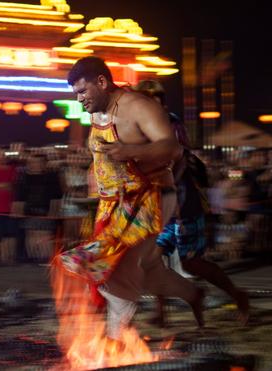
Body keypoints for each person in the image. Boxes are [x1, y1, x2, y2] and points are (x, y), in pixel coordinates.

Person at [52, 57, 204, 354]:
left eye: (83, 92)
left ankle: (116, 339)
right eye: (76, 95)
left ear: (102, 82)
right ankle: (193, 293)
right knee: (148, 272)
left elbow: (172, 148)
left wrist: (132, 150)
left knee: (116, 267)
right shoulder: (98, 111)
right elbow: (101, 154)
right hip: (113, 205)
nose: (79, 100)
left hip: (151, 198)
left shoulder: (139, 106)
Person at [135, 80, 250, 327]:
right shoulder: (142, 127)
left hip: (184, 201)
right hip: (158, 203)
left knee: (192, 263)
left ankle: (238, 295)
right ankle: (161, 313)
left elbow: (176, 163)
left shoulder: (171, 123)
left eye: (150, 99)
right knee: (152, 259)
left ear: (159, 101)